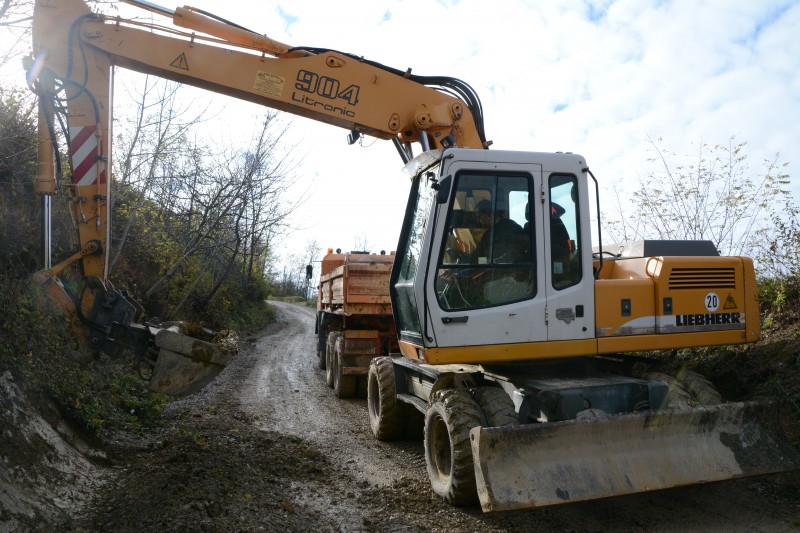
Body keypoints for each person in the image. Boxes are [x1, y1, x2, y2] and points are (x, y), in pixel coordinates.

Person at [473, 199, 524, 263]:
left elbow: (517, 253)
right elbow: (480, 257)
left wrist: (491, 262)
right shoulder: (487, 235)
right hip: (491, 270)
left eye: (479, 216)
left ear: (489, 213)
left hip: (510, 269)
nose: (479, 220)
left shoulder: (511, 227)